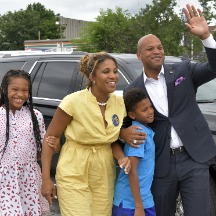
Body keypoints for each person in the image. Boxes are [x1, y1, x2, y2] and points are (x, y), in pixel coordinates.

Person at [120, 4, 216, 216]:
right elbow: (125, 122)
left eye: (160, 47)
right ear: (139, 56)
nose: (157, 51)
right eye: (150, 49)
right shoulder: (132, 89)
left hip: (194, 158)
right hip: (160, 164)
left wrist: (206, 37)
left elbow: (213, 67)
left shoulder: (184, 69)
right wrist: (122, 133)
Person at [41, 51, 131, 216]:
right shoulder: (73, 101)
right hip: (74, 169)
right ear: (92, 76)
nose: (113, 76)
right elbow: (50, 138)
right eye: (106, 71)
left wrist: (122, 152)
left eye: (115, 71)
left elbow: (113, 140)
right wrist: (46, 179)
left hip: (103, 171)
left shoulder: (120, 103)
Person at [0, 69, 59, 215]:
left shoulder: (35, 116)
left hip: (28, 181)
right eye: (14, 89)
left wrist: (54, 147)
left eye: (25, 90)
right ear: (4, 89)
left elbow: (40, 152)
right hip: (4, 180)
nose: (20, 94)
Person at [112, 88, 156, 216]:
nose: (150, 111)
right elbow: (131, 170)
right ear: (132, 115)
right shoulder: (137, 133)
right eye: (144, 110)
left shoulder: (145, 131)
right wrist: (138, 206)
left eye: (150, 107)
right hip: (130, 204)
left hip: (144, 199)